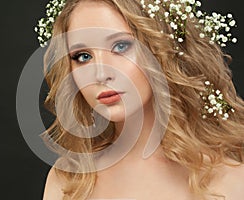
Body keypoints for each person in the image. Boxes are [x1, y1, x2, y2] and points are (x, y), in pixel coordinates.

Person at [34, 0, 244, 199]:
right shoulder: (69, 180)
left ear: (163, 50)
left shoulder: (228, 180)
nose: (100, 73)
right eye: (83, 56)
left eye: (120, 46)